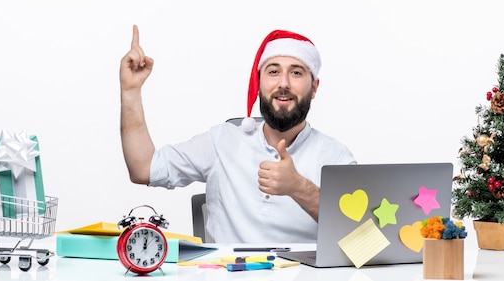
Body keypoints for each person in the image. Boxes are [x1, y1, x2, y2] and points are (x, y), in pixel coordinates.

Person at [119, 26, 356, 243]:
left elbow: (363, 241)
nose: (283, 83)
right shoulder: (223, 140)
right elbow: (144, 169)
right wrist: (130, 91)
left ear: (314, 88)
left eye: (296, 73)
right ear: (259, 81)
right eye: (273, 71)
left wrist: (298, 187)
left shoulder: (335, 157)